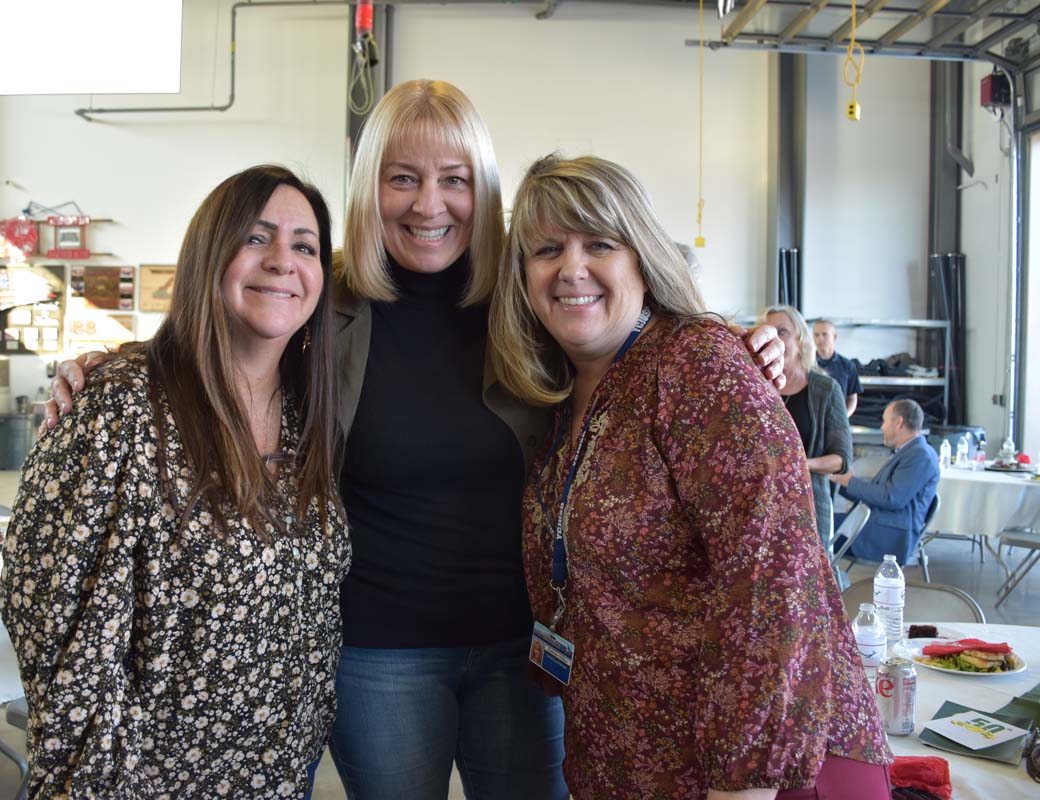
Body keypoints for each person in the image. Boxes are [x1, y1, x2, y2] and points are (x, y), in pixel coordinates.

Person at [41, 80, 787, 800]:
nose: (429, 204)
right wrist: (114, 362)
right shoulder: (322, 299)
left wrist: (749, 341)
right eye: (403, 178)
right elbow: (227, 327)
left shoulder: (532, 297)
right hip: (380, 653)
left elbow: (634, 319)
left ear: (482, 191)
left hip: (523, 648)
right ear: (371, 188)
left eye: (454, 179)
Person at [490, 154, 892, 800]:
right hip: (638, 765)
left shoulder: (697, 365)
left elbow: (774, 573)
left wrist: (745, 782)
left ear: (642, 257)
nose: (571, 268)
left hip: (756, 775)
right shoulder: (565, 394)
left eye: (599, 244)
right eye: (547, 249)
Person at [0, 166, 350, 799]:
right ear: (207, 256)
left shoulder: (309, 419)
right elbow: (48, 613)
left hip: (280, 775)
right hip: (145, 782)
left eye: (305, 246)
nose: (282, 260)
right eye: (256, 238)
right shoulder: (119, 403)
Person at [760, 305, 852, 550]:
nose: (774, 339)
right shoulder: (756, 387)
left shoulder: (826, 390)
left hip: (809, 507)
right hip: (761, 507)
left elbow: (842, 460)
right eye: (767, 332)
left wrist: (797, 463)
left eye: (782, 332)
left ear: (801, 339)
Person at [830, 398, 940, 565]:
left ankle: (820, 578)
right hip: (879, 526)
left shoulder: (920, 455)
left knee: (817, 527)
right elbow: (881, 493)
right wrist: (841, 481)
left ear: (899, 422)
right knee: (819, 522)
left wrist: (849, 482)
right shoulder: (910, 451)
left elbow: (891, 498)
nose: (882, 427)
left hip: (887, 536)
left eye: (885, 421)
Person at [813, 319, 862, 417]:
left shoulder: (847, 365)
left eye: (824, 334)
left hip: (837, 419)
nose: (820, 338)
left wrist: (844, 417)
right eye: (816, 335)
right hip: (812, 420)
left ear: (834, 337)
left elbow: (852, 397)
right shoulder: (805, 364)